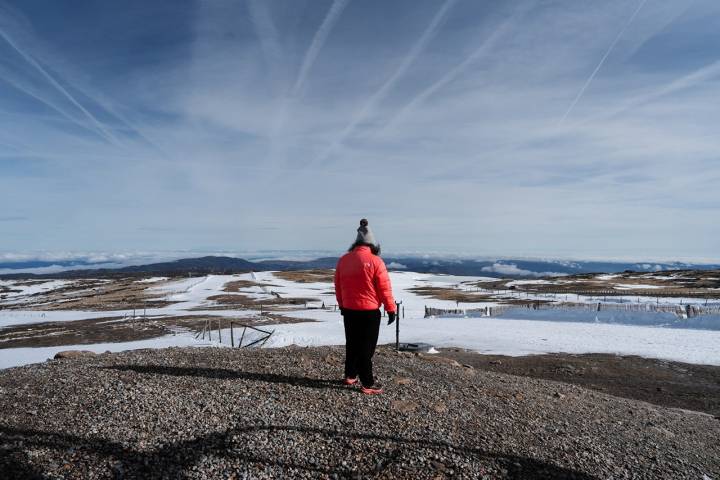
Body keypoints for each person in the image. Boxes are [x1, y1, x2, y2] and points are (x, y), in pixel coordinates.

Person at [334, 219, 396, 395]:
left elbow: (338, 286)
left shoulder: (343, 260)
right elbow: (384, 288)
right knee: (366, 348)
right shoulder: (376, 261)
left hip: (349, 310)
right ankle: (368, 383)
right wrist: (391, 309)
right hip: (369, 312)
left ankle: (350, 375)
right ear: (373, 244)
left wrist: (342, 305)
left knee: (352, 344)